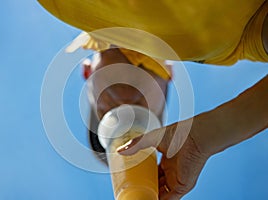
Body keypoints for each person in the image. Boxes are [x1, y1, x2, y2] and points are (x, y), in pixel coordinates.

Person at [38, 1, 268, 199]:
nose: (124, 113)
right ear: (168, 75)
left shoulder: (62, 4)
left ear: (87, 72)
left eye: (108, 113)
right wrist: (202, 139)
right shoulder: (234, 37)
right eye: (141, 114)